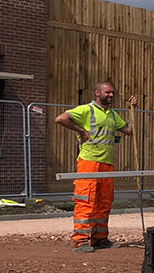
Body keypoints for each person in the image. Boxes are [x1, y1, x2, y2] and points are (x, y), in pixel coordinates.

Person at [55, 82, 137, 252]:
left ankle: (100, 238)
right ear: (97, 93)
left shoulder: (113, 115)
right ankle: (80, 241)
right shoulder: (87, 110)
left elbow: (129, 131)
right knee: (86, 200)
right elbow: (61, 119)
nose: (111, 95)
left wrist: (132, 110)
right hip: (89, 162)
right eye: (107, 92)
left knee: (103, 202)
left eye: (112, 92)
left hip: (107, 164)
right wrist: (81, 131)